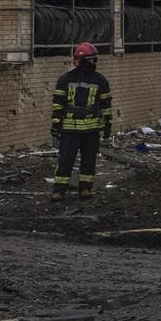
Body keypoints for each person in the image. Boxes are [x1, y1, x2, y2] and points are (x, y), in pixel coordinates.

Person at [50, 41, 113, 201]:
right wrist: (56, 124)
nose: (94, 63)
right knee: (65, 160)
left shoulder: (100, 81)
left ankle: (85, 188)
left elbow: (105, 104)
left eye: (95, 59)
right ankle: (58, 190)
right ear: (83, 60)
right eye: (92, 59)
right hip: (70, 129)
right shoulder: (65, 79)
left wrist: (107, 124)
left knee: (88, 160)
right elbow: (58, 104)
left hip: (91, 130)